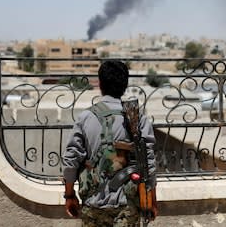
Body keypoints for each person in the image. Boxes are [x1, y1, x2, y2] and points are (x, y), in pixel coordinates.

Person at [63, 60, 157, 226]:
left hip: (93, 204)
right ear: (125, 85)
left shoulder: (85, 118)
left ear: (100, 84)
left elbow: (71, 159)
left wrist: (69, 195)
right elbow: (148, 163)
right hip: (127, 205)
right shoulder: (138, 119)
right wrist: (151, 200)